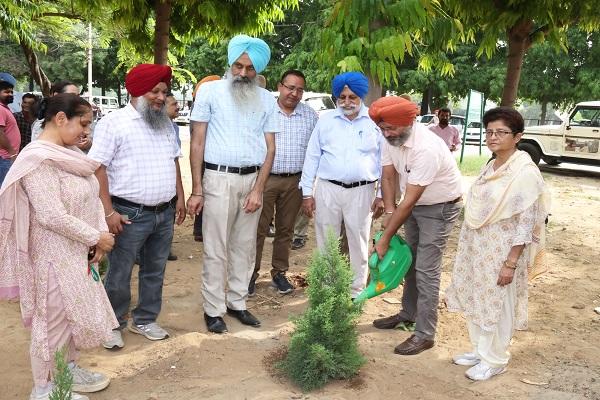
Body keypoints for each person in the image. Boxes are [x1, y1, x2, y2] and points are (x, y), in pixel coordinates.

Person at [0, 93, 118, 400]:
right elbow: (51, 214)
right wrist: (96, 237)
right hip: (51, 254)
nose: (87, 132)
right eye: (83, 123)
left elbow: (92, 198)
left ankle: (67, 374)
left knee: (70, 317)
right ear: (61, 119)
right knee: (51, 322)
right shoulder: (37, 159)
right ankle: (44, 390)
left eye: (90, 125)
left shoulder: (71, 156)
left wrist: (99, 235)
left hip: (77, 251)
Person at [445, 107, 549, 381]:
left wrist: (511, 263)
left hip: (503, 251)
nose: (493, 137)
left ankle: (496, 359)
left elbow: (526, 223)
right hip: (479, 246)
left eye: (501, 132)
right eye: (489, 132)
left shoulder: (524, 173)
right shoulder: (490, 166)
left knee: (498, 304)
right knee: (478, 298)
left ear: (517, 137)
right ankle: (481, 351)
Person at [88, 64, 186, 349]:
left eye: (164, 92)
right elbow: (98, 169)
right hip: (128, 214)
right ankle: (113, 323)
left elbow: (174, 161)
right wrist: (108, 212)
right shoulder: (113, 123)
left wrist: (179, 197)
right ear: (136, 90)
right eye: (154, 91)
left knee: (155, 270)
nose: (160, 97)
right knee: (119, 272)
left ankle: (144, 319)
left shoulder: (165, 123)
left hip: (163, 212)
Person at [187, 34, 278, 334]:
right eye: (238, 66)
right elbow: (197, 142)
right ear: (230, 63)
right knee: (216, 247)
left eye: (249, 68)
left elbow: (271, 148)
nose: (242, 73)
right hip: (217, 179)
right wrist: (197, 189)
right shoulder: (210, 92)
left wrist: (258, 189)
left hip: (252, 180)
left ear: (258, 70)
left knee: (244, 247)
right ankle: (214, 310)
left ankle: (238, 303)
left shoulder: (267, 99)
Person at [369, 96, 463, 355]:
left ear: (409, 122)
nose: (387, 133)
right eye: (382, 129)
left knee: (426, 268)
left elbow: (409, 201)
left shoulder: (427, 148)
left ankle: (425, 333)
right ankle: (408, 314)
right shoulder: (390, 136)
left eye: (391, 128)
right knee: (409, 261)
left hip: (440, 207)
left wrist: (386, 237)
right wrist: (389, 212)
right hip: (412, 205)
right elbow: (388, 176)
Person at [300, 71, 384, 299]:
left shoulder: (374, 122)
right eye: (342, 97)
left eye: (352, 97)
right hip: (328, 189)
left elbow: (384, 161)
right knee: (327, 240)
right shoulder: (326, 120)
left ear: (361, 97)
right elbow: (312, 156)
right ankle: (327, 291)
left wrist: (382, 194)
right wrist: (307, 193)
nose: (347, 102)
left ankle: (356, 292)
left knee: (359, 241)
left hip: (362, 190)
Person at [251, 69, 318, 296]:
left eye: (299, 89)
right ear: (280, 87)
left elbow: (314, 152)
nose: (294, 93)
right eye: (290, 87)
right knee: (257, 229)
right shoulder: (264, 111)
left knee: (285, 230)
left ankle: (279, 273)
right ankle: (250, 273)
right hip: (265, 180)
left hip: (294, 182)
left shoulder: (310, 116)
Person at [190, 75, 221, 243]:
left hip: (209, 157)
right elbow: (197, 137)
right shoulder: (201, 107)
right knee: (203, 192)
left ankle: (200, 229)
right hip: (205, 159)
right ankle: (200, 229)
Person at [0, 74, 20, 186]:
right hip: (5, 158)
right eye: (6, 92)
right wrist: (12, 153)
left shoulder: (4, 108)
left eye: (11, 92)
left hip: (6, 157)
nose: (10, 94)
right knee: (4, 190)